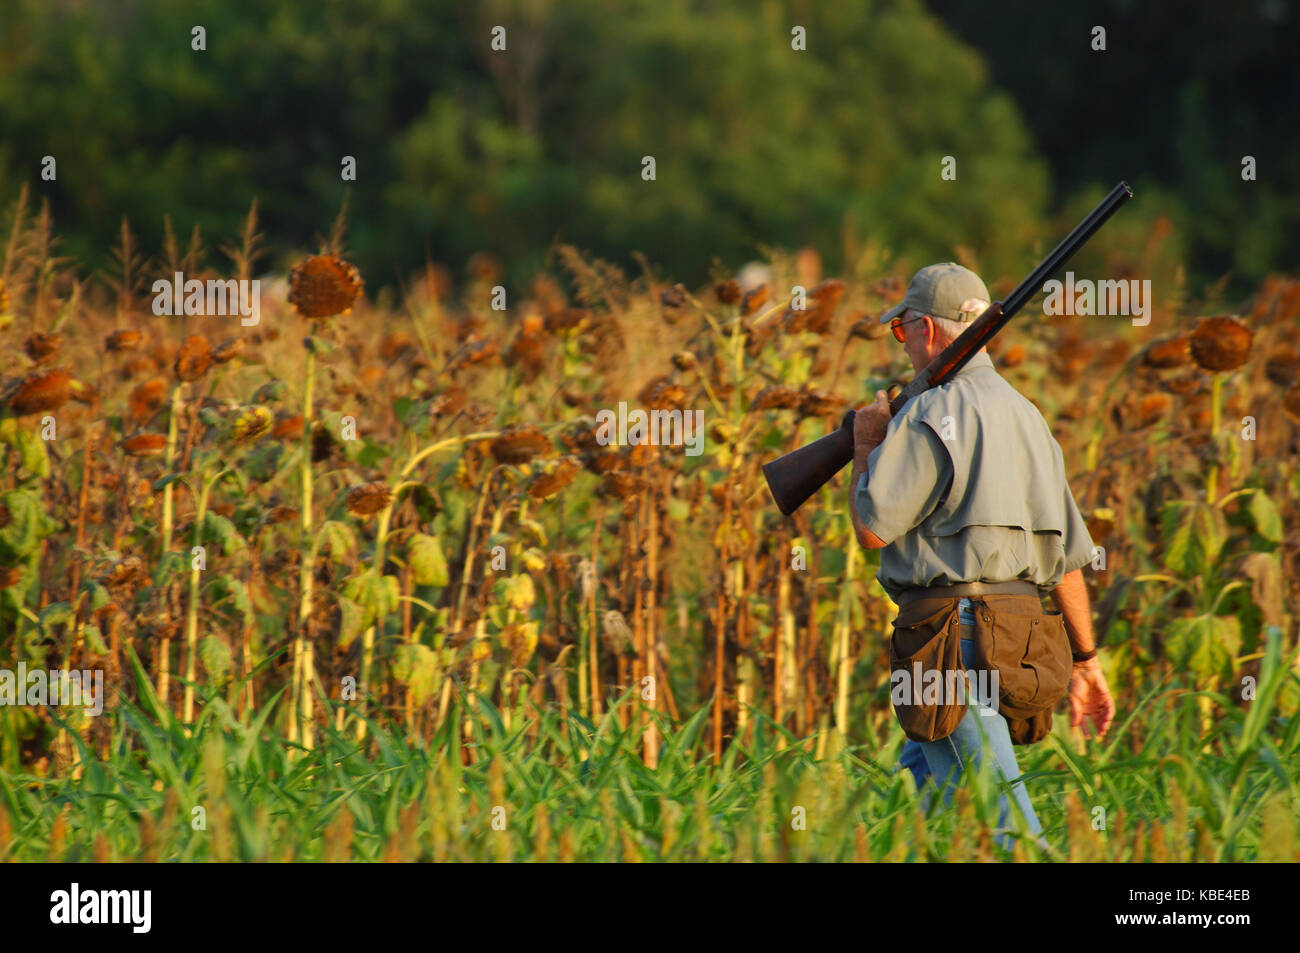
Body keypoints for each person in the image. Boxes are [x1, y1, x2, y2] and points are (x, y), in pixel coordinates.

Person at [848, 262, 1115, 852]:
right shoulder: (1030, 418)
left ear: (928, 328)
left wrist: (867, 443)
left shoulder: (925, 414)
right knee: (909, 817)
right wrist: (1086, 659)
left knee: (1006, 831)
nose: (905, 342)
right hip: (1019, 635)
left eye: (903, 329)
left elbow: (871, 527)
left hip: (947, 640)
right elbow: (1067, 558)